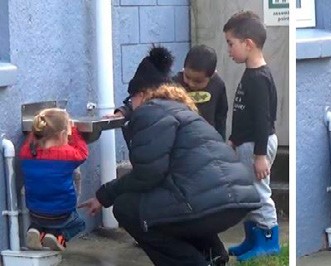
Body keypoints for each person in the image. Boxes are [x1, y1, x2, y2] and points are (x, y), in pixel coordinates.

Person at [78, 46, 261, 266]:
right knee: (174, 206)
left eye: (132, 98)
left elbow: (148, 174)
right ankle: (213, 256)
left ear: (143, 94)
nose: (131, 104)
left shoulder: (150, 113)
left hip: (210, 203)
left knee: (127, 207)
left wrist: (106, 194)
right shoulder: (182, 110)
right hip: (236, 199)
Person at [221, 11, 281, 261]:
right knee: (248, 192)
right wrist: (234, 138)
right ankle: (253, 239)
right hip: (246, 143)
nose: (229, 51)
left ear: (248, 44)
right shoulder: (250, 72)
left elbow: (263, 120)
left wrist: (259, 155)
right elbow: (243, 114)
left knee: (258, 192)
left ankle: (269, 241)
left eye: (230, 44)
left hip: (258, 145)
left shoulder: (258, 78)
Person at [20, 108, 87, 251]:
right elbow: (82, 153)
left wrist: (35, 132)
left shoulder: (26, 152)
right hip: (61, 213)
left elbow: (32, 140)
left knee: (42, 219)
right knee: (79, 223)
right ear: (63, 134)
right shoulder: (67, 155)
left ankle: (35, 231)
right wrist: (74, 130)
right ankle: (58, 237)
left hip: (35, 210)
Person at [174, 45, 228, 139]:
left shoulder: (218, 85)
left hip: (208, 139)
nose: (191, 84)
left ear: (212, 76)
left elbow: (221, 116)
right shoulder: (174, 85)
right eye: (187, 77)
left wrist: (221, 140)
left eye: (198, 81)